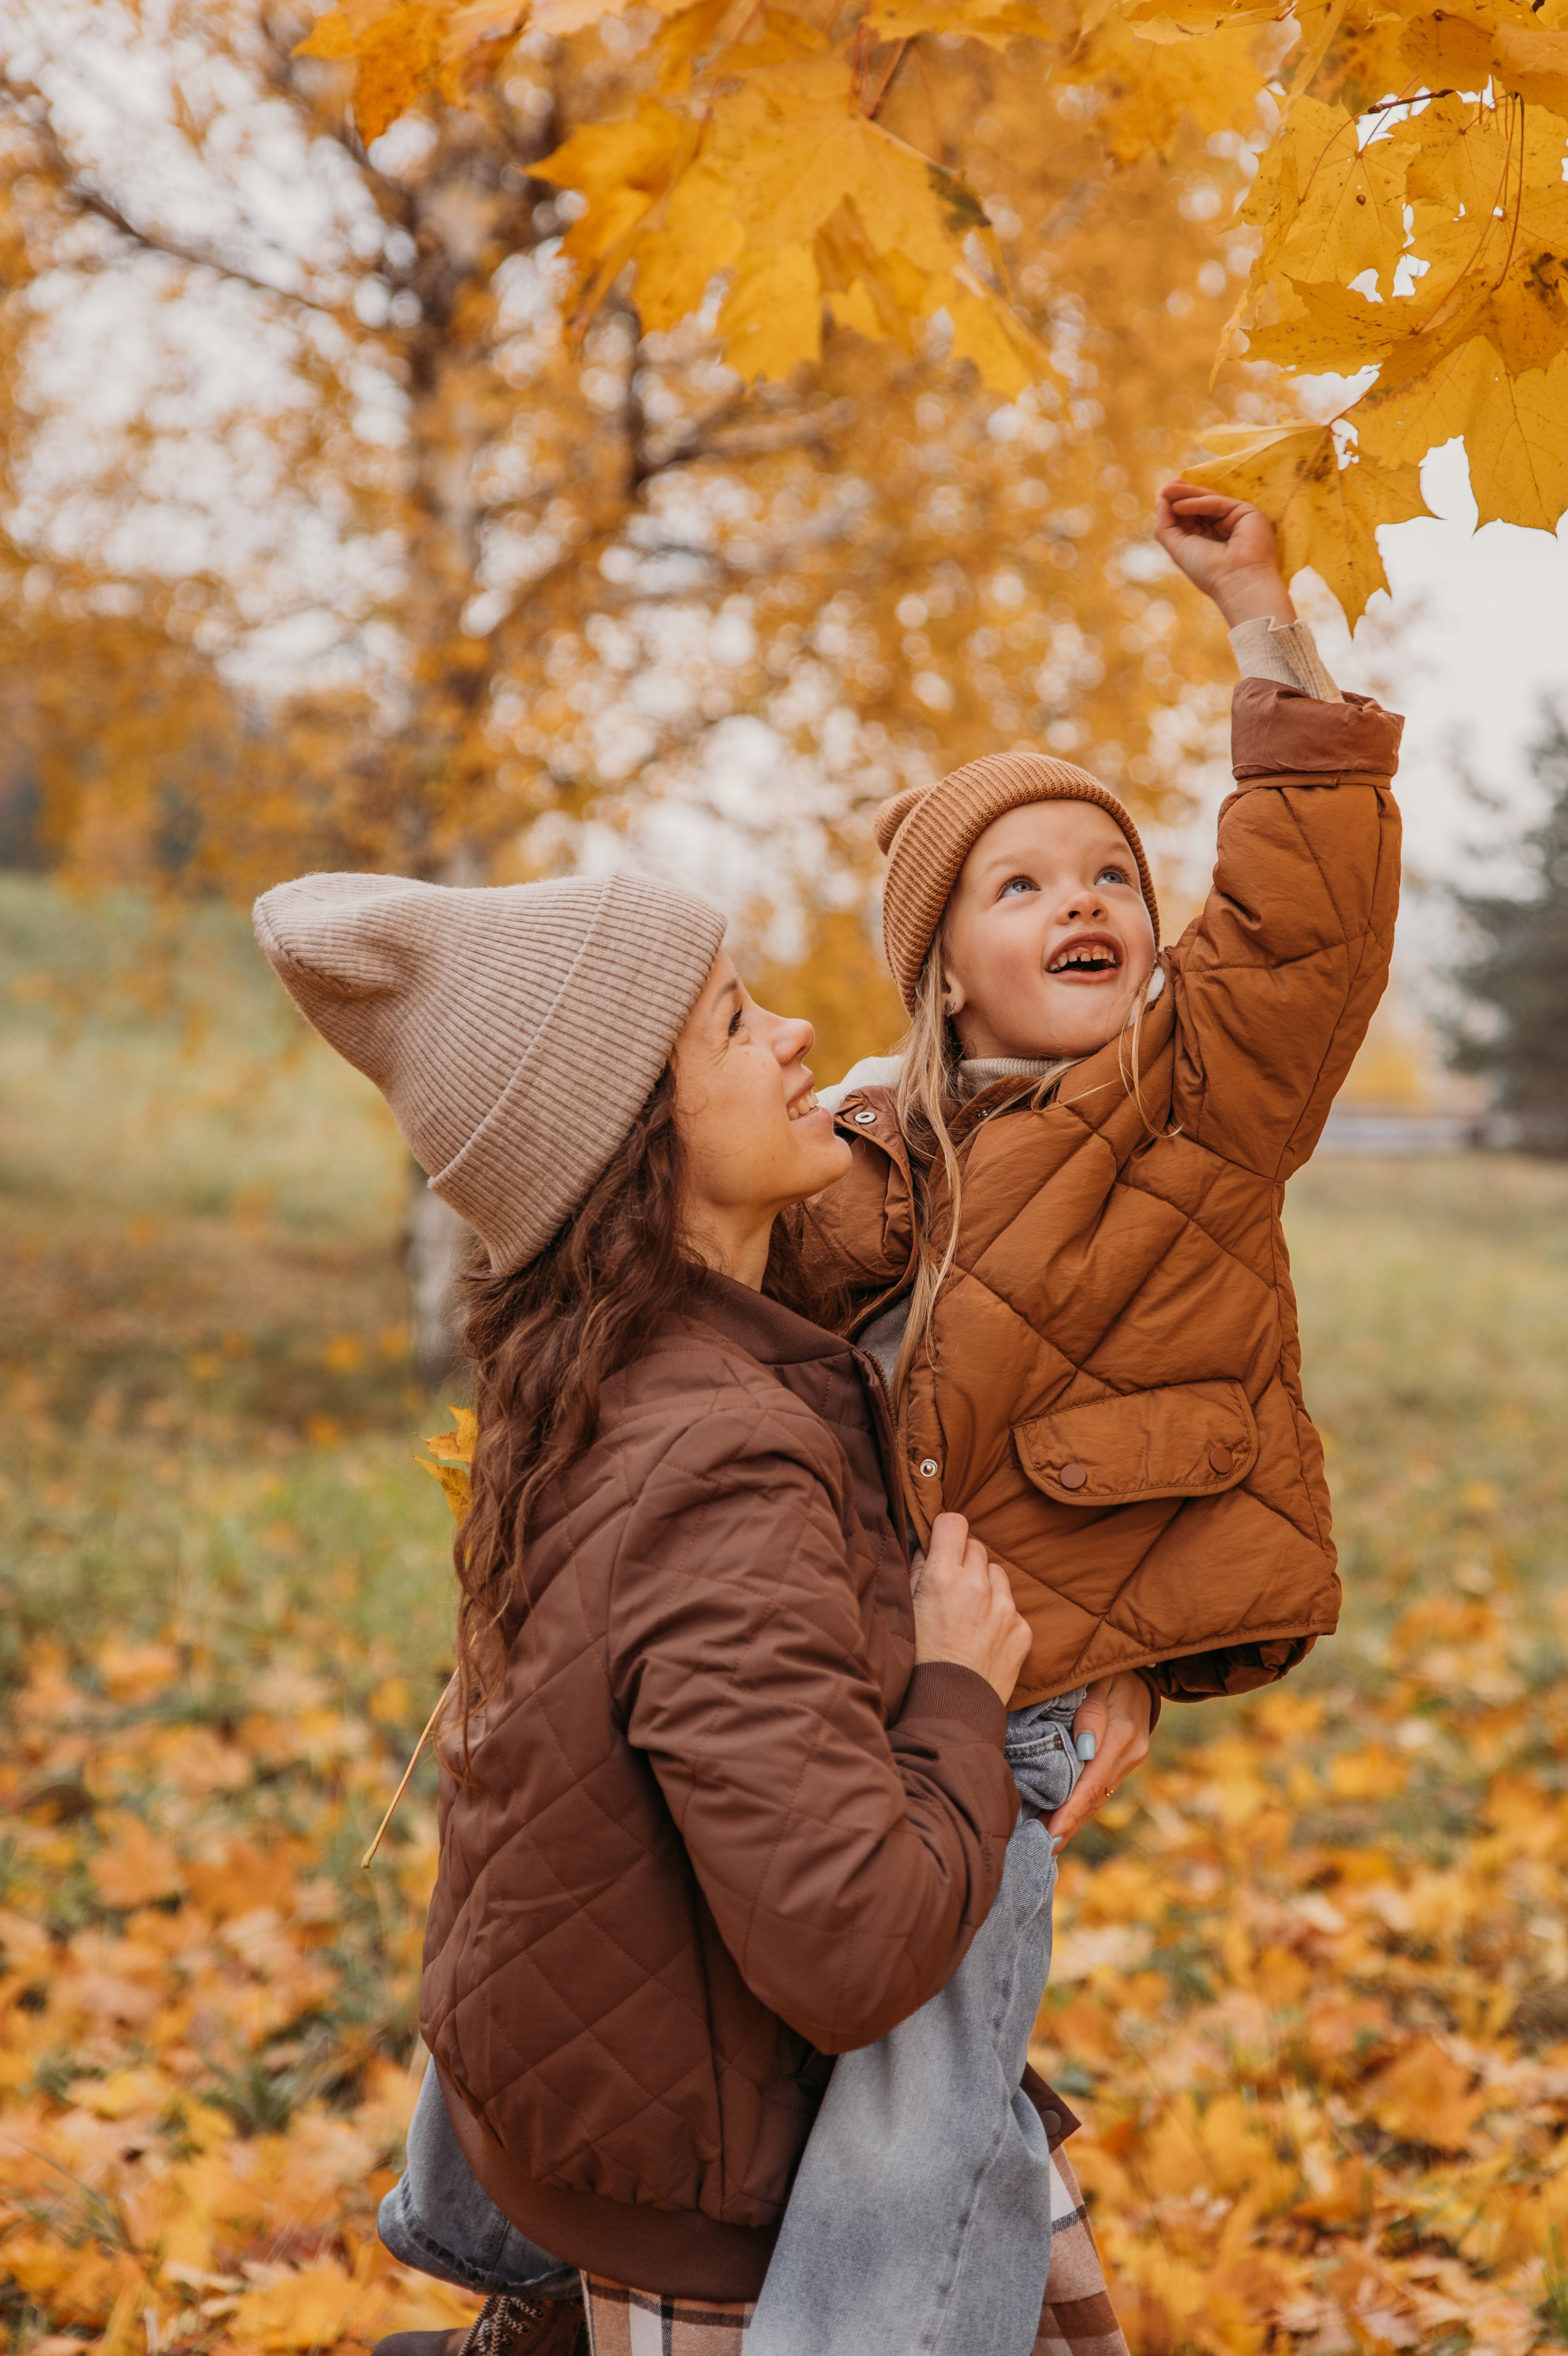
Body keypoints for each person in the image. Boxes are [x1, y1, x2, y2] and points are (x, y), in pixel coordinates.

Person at [251, 868, 1125, 2356]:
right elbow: (849, 1948)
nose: (793, 1034)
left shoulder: (626, 1363)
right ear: (637, 1141)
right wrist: (963, 1695)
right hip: (715, 2180)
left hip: (617, 2088)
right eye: (730, 1020)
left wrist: (1127, 1664)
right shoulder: (716, 1450)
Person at [741, 482, 1404, 2349]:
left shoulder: (1200, 1104)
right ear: (944, 967)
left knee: (913, 2084)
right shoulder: (877, 1149)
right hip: (831, 1675)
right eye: (1019, 887)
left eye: (1107, 873)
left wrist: (1263, 632)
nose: (1084, 903)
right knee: (779, 2009)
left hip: (1012, 1709)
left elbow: (1298, 934)